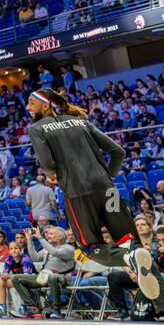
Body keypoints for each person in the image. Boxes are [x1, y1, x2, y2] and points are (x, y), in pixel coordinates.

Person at [25, 87, 154, 290]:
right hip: (107, 189)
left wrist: (53, 177)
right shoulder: (81, 121)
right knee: (129, 240)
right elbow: (118, 152)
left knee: (89, 247)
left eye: (31, 103)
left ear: (45, 105)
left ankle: (129, 258)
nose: (27, 107)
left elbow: (49, 169)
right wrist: (107, 176)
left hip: (78, 194)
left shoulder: (36, 128)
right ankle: (158, 301)